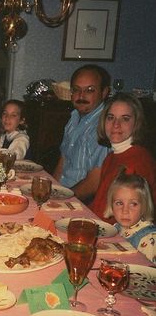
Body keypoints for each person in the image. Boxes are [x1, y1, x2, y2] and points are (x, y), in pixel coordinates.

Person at [90, 93, 156, 222]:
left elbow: (126, 220)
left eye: (125, 119)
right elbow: (99, 206)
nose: (116, 124)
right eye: (111, 117)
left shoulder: (137, 163)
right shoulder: (111, 157)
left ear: (136, 123)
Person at [53, 64, 111, 202]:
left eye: (90, 90)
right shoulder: (74, 118)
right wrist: (50, 190)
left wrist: (61, 201)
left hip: (83, 201)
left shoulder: (103, 126)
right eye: (76, 90)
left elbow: (94, 183)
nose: (81, 96)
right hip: (63, 193)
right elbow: (63, 161)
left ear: (104, 92)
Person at [103, 171, 156, 262]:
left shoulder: (148, 239)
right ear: (111, 205)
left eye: (133, 204)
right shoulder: (117, 227)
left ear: (144, 206)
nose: (125, 211)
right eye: (119, 203)